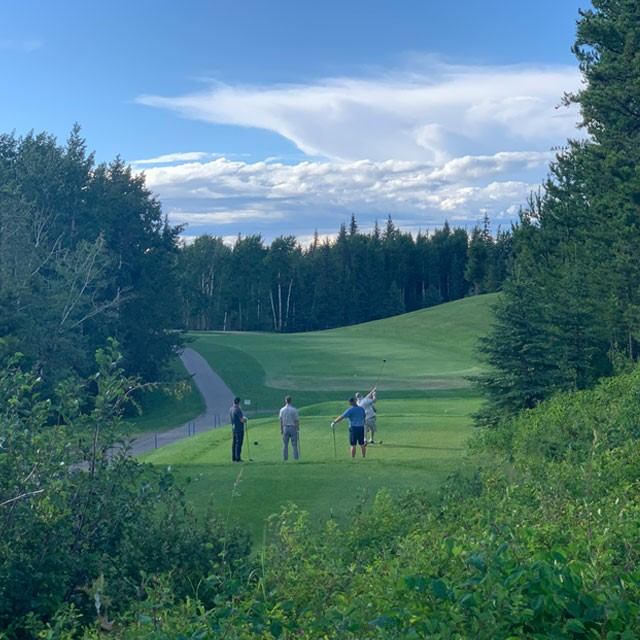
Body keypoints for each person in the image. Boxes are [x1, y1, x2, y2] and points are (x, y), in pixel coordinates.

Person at [279, 395, 300, 461]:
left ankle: (285, 459)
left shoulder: (282, 410)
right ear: (291, 401)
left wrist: (281, 429)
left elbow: (281, 420)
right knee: (294, 445)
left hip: (285, 427)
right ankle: (296, 458)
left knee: (285, 445)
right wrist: (297, 429)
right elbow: (296, 420)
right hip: (293, 427)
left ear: (285, 401)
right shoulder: (294, 410)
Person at [229, 397, 247, 462]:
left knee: (234, 443)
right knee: (239, 443)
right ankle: (238, 458)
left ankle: (233, 457)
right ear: (239, 402)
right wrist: (245, 419)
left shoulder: (231, 409)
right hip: (239, 428)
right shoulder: (238, 409)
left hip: (234, 428)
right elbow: (242, 420)